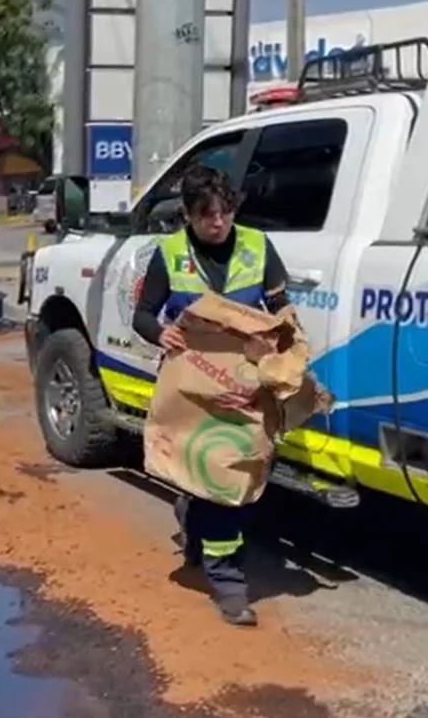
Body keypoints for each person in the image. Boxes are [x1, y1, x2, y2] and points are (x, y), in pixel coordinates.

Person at [131, 164, 292, 627]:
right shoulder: (170, 253)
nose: (217, 223)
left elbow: (282, 309)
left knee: (237, 472)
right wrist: (159, 332)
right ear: (188, 215)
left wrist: (282, 345)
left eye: (224, 212)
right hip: (192, 384)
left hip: (244, 381)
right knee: (218, 478)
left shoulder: (258, 246)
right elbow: (143, 314)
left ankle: (193, 514)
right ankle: (228, 584)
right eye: (206, 215)